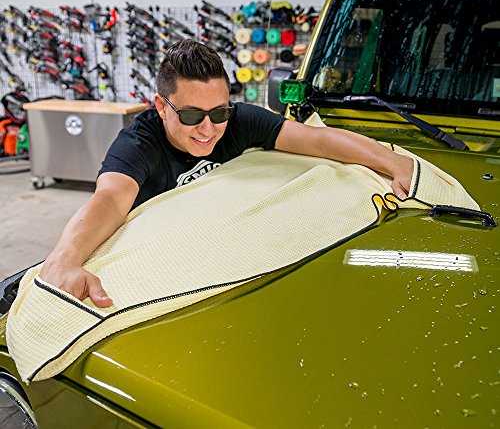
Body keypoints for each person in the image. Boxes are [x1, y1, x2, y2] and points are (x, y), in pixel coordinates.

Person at [40, 40, 413, 307]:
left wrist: (393, 163)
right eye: (191, 115)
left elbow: (317, 140)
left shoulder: (238, 120)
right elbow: (109, 199)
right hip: (163, 268)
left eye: (218, 112)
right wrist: (64, 261)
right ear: (161, 107)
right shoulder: (138, 143)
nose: (208, 129)